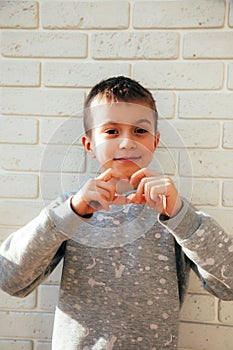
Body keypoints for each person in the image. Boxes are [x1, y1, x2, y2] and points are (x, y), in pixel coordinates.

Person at [1, 76, 233, 350]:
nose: (126, 143)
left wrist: (182, 216)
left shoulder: (174, 212)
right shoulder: (69, 210)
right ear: (89, 145)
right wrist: (71, 212)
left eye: (140, 131)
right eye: (111, 131)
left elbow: (227, 285)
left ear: (155, 142)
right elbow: (10, 279)